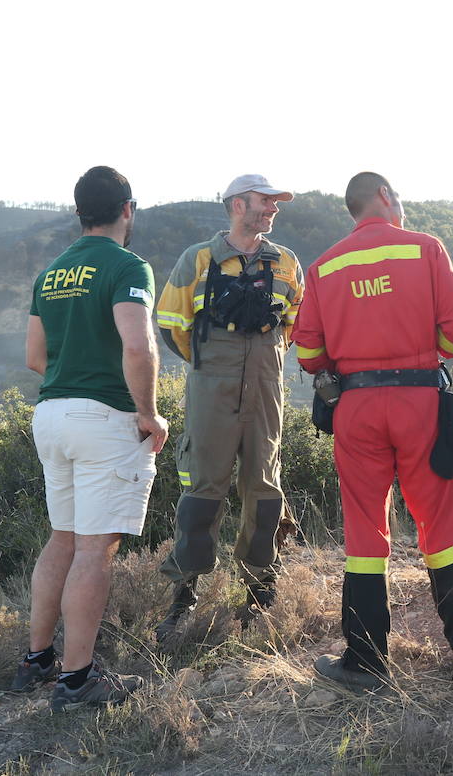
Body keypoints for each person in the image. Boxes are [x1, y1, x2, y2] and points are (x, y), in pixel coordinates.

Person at [293, 172, 453, 691]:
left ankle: (365, 663)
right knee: (441, 525)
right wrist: (421, 357)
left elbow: (309, 352)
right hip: (421, 401)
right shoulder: (425, 248)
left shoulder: (324, 266)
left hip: (354, 408)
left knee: (363, 533)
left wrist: (349, 363)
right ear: (384, 196)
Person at [12, 165, 169, 711]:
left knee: (63, 538)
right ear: (128, 210)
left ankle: (37, 660)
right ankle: (77, 680)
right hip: (104, 419)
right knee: (95, 549)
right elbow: (138, 344)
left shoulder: (51, 273)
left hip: (52, 413)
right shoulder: (129, 266)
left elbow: (35, 358)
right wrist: (149, 412)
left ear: (81, 213)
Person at [152, 174, 305, 639]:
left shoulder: (287, 262)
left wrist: (262, 360)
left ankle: (260, 589)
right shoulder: (197, 259)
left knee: (264, 486)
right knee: (204, 486)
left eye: (275, 202)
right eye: (265, 201)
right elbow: (172, 324)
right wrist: (211, 364)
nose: (273, 209)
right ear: (238, 205)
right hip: (211, 386)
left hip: (265, 385)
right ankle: (185, 591)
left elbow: (295, 322)